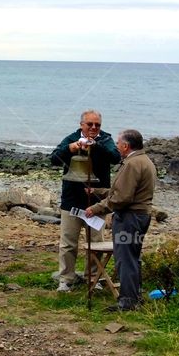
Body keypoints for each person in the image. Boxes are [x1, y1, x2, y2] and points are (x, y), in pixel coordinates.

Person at [86, 129, 156, 311]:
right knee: (133, 257)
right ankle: (135, 296)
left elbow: (123, 198)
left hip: (130, 217)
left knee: (125, 259)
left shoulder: (132, 164)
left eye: (118, 143)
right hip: (140, 215)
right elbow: (123, 191)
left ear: (125, 146)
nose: (116, 146)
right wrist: (99, 191)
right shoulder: (145, 160)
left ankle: (127, 302)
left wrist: (96, 208)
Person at [51, 110, 121, 292]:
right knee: (68, 242)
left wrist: (96, 145)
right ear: (81, 124)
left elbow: (115, 157)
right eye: (90, 124)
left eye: (97, 125)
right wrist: (70, 149)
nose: (93, 128)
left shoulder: (105, 140)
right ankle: (66, 278)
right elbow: (54, 159)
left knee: (96, 242)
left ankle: (94, 277)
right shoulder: (71, 138)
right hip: (71, 199)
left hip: (97, 201)